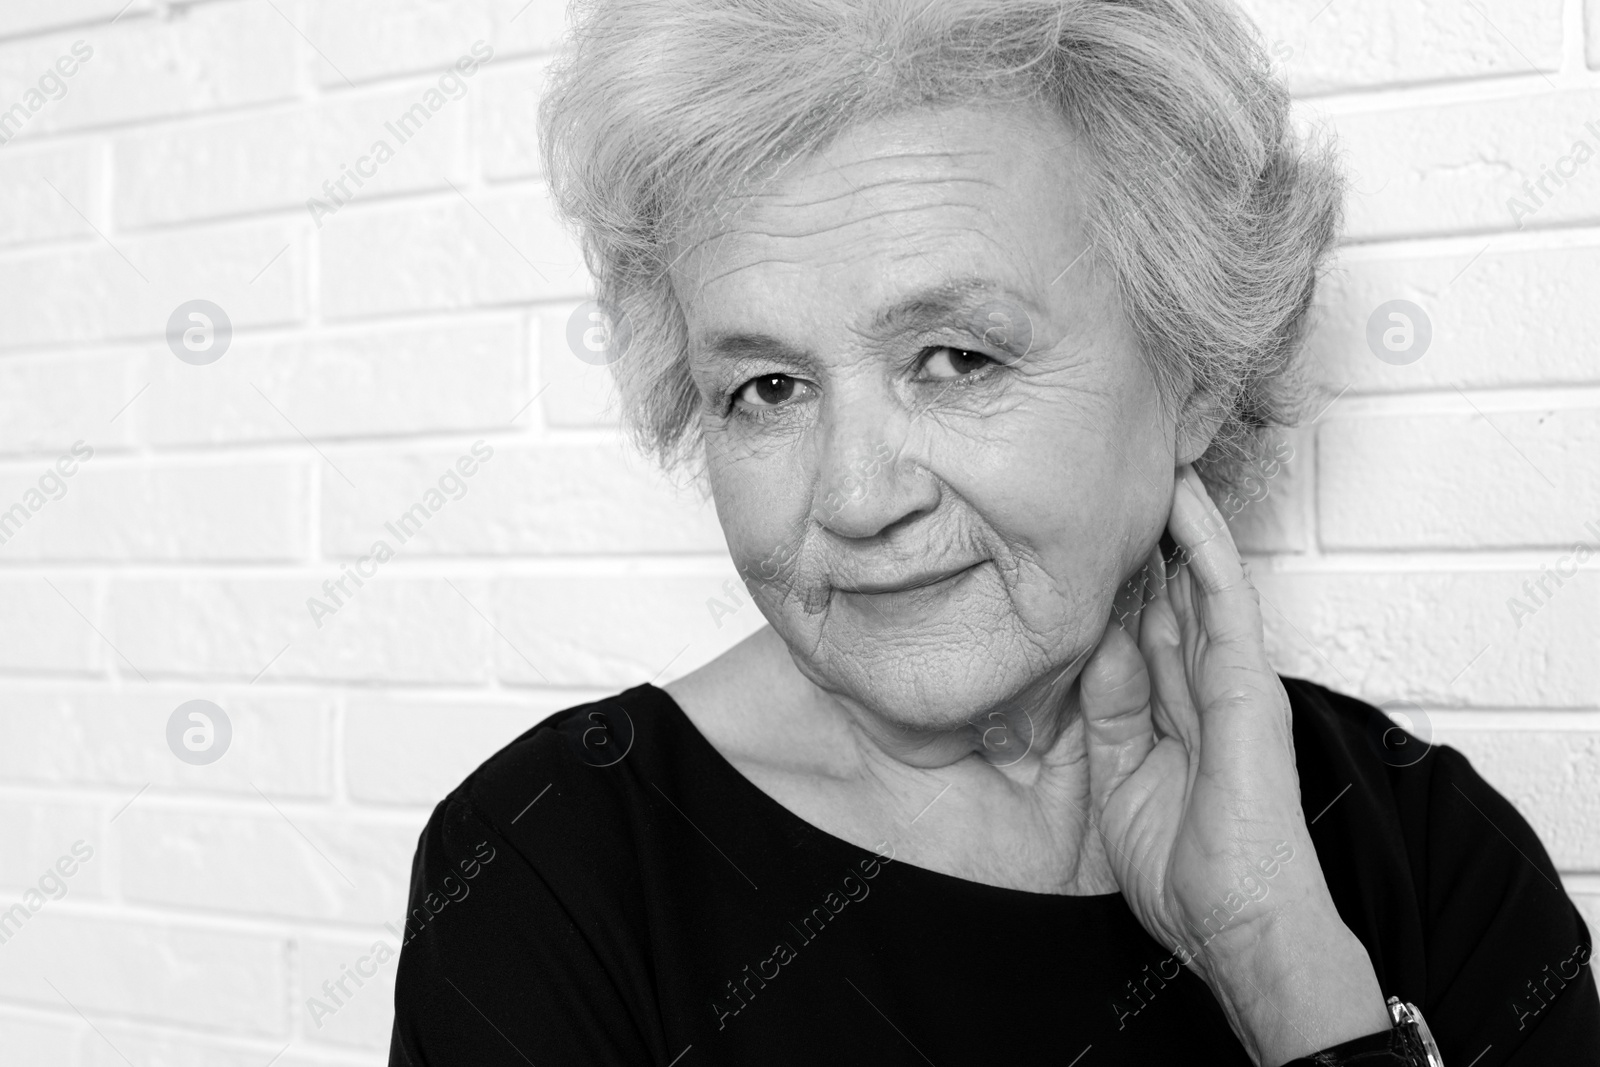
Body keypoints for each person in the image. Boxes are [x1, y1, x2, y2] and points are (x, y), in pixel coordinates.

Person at [389, 1, 1600, 1063]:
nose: (857, 496)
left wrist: (1281, 960)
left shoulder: (1430, 859)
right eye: (766, 387)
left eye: (956, 358)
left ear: (1192, 374)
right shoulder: (550, 873)